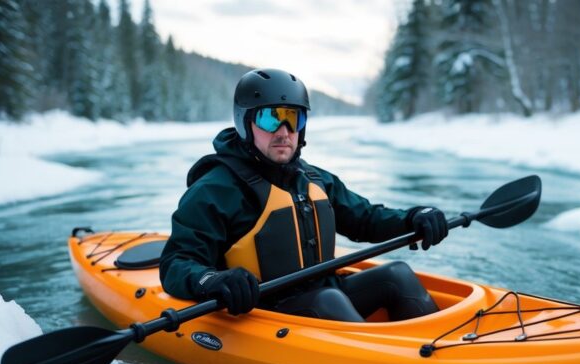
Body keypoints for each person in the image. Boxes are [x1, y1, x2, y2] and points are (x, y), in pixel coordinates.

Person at [159, 68, 448, 322]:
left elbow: (366, 219)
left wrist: (413, 218)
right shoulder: (215, 189)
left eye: (293, 119)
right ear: (245, 122)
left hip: (325, 296)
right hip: (263, 311)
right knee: (328, 301)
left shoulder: (313, 179)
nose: (284, 132)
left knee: (397, 274)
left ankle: (440, 356)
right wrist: (213, 280)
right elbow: (177, 263)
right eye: (271, 119)